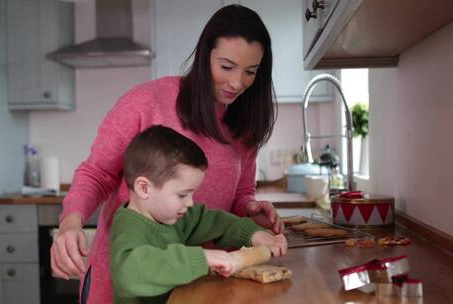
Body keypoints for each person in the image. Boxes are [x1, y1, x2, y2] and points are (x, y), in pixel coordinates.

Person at [51, 4, 284, 303]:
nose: (237, 82)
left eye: (250, 72)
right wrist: (71, 222)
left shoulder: (244, 125)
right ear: (204, 57)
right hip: (125, 285)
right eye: (226, 67)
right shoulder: (147, 102)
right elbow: (98, 172)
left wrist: (250, 209)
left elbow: (238, 194)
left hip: (200, 284)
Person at [110, 125, 287, 303]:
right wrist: (201, 258)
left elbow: (217, 222)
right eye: (182, 195)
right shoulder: (128, 228)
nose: (190, 203)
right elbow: (130, 272)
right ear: (144, 188)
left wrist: (254, 234)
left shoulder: (174, 216)